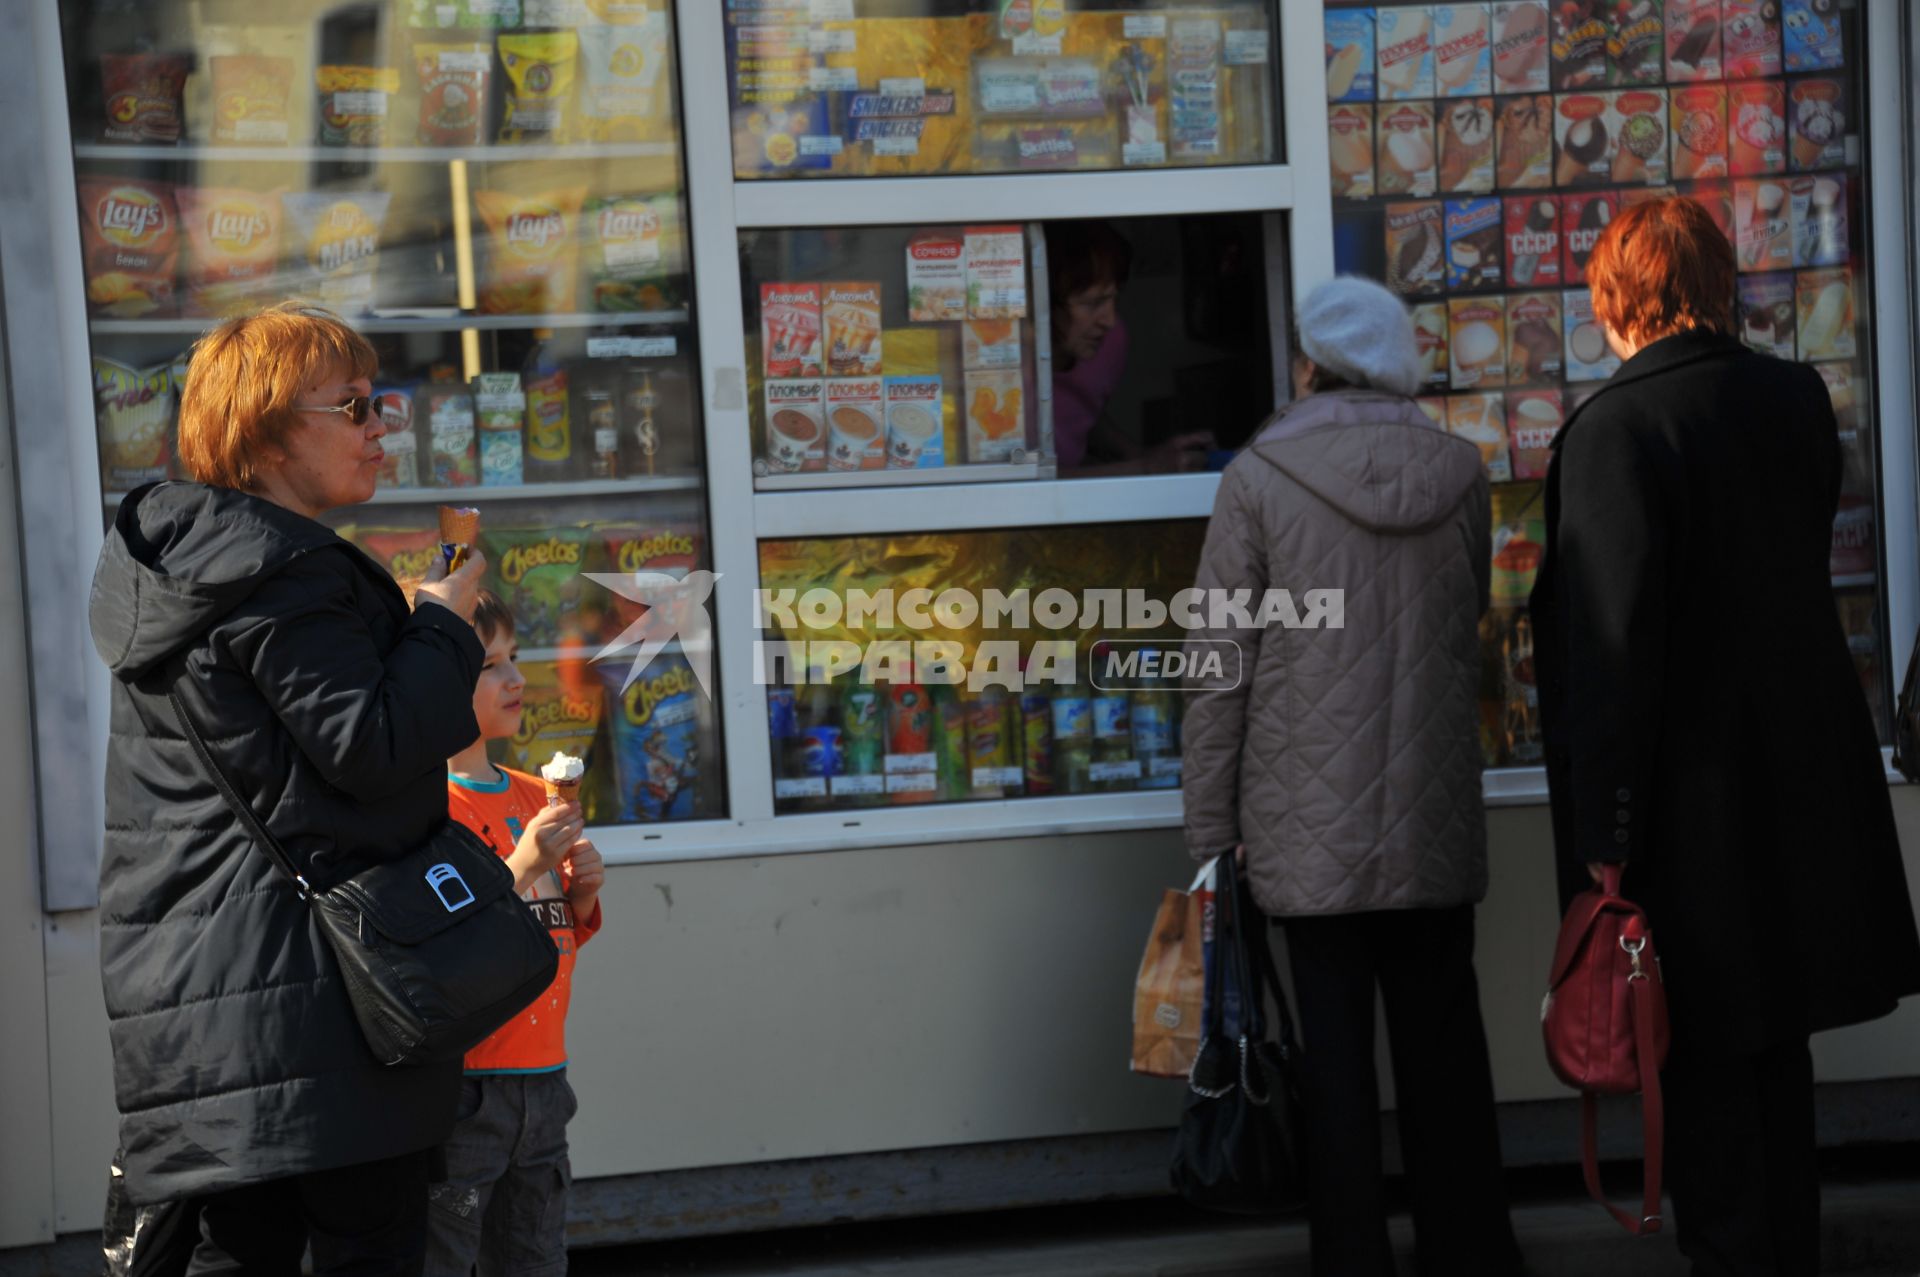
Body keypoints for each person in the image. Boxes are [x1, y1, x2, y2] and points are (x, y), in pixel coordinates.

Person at [1529, 197, 1920, 1275]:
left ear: (1617, 299)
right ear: (1716, 285)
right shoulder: (1793, 398)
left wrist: (1603, 849)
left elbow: (1610, 654)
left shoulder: (1615, 428)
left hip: (1685, 816)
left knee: (1695, 1076)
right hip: (1797, 788)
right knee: (1773, 1063)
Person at [88, 304, 489, 1273]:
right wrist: (442, 624)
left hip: (198, 1004)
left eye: (380, 402)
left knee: (238, 1250)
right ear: (266, 429)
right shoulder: (286, 572)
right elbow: (374, 742)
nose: (380, 426)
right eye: (353, 406)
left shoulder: (182, 562)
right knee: (365, 1244)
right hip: (315, 1009)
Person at [1182, 276, 1522, 1276]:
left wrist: (1210, 837)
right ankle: (1472, 1256)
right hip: (1433, 821)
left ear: (1306, 364)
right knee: (1446, 1062)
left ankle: (1354, 1260)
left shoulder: (1258, 475)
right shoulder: (1463, 471)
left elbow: (1217, 670)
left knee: (1334, 1076)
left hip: (1303, 833)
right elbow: (1466, 630)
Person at [429, 590, 606, 1276]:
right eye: (489, 665)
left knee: (534, 1258)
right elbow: (446, 942)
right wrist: (523, 863)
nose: (513, 679)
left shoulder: (538, 792)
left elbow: (548, 936)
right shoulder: (427, 805)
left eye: (515, 658)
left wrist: (581, 894)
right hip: (469, 1087)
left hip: (546, 1077)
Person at [1045, 219, 1213, 475]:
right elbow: (1026, 480)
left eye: (1114, 298)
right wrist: (1143, 468)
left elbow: (1080, 408)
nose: (1109, 321)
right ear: (1044, 303)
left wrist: (1136, 452)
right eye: (1093, 303)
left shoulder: (1109, 344)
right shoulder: (1000, 367)